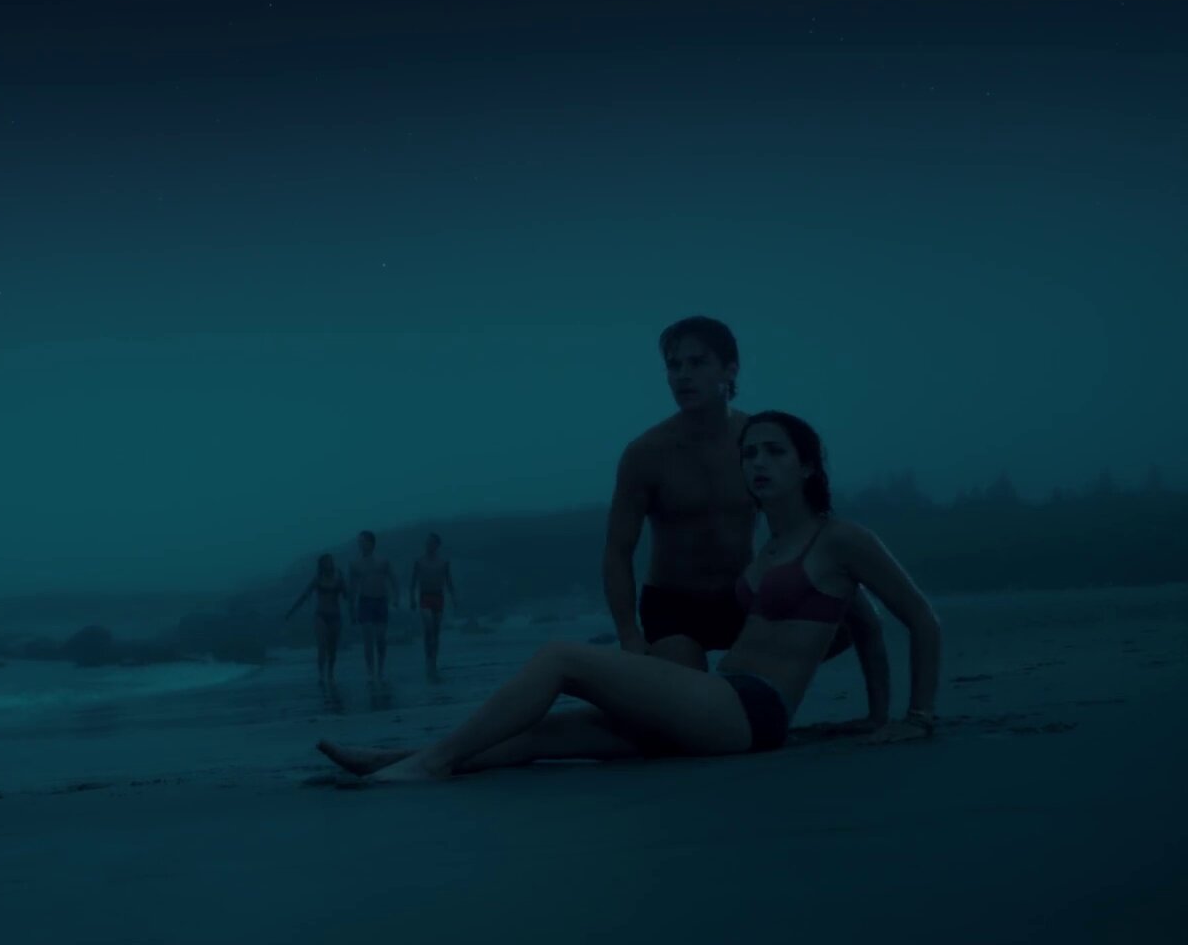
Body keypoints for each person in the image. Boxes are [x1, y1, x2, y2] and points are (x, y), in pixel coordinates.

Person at [318, 411, 943, 781]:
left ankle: (429, 765)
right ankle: (397, 758)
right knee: (544, 737)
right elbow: (856, 628)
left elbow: (912, 621)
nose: (758, 462)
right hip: (715, 702)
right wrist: (872, 717)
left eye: (774, 452)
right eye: (750, 452)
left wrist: (910, 719)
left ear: (807, 466)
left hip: (751, 711)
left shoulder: (841, 539)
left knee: (562, 659)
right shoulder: (773, 546)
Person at [604, 316, 891, 729]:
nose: (683, 375)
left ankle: (876, 716)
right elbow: (618, 551)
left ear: (730, 370)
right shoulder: (646, 454)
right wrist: (629, 634)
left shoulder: (757, 445)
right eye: (674, 365)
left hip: (742, 595)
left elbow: (801, 523)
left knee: (855, 616)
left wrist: (824, 575)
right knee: (686, 708)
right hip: (673, 605)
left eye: (697, 363)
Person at [284, 554, 351, 687]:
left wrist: (343, 581)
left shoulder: (338, 579)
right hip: (321, 616)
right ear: (322, 565)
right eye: (326, 562)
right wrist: (291, 611)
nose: (329, 564)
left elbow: (346, 596)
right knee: (322, 646)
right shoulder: (317, 580)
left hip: (335, 616)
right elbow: (304, 596)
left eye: (330, 561)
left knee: (332, 649)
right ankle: (321, 675)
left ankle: (330, 673)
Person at [348, 531, 398, 684]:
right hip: (365, 602)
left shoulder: (383, 561)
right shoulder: (355, 564)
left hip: (381, 601)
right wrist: (352, 609)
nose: (360, 544)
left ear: (371, 543)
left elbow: (393, 579)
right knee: (368, 639)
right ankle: (370, 671)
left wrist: (395, 597)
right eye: (359, 541)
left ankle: (381, 669)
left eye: (363, 541)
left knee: (381, 638)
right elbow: (352, 588)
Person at [409, 533, 459, 682]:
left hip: (438, 597)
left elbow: (449, 582)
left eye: (431, 543)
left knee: (435, 633)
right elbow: (413, 583)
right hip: (425, 597)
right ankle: (428, 659)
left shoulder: (443, 562)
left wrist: (454, 598)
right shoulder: (419, 562)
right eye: (427, 543)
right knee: (429, 628)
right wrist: (412, 599)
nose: (428, 546)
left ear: (437, 545)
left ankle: (433, 661)